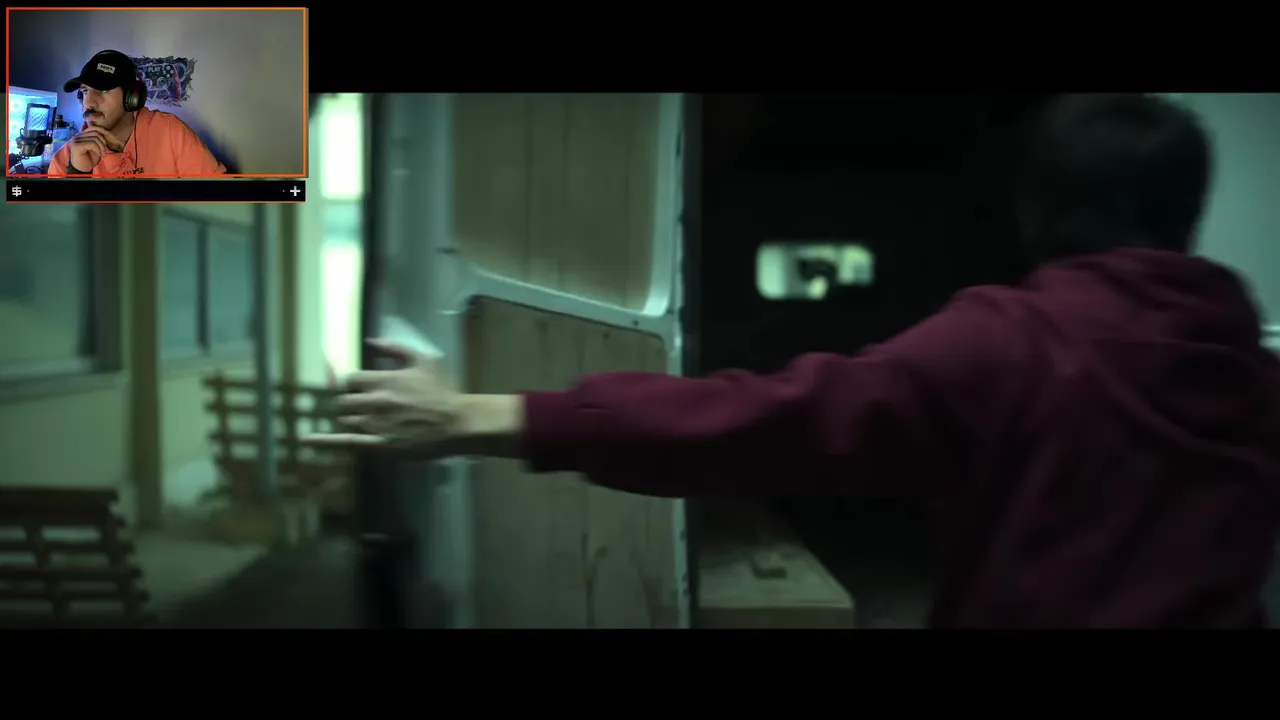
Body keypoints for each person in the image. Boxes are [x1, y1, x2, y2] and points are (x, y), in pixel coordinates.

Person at [304, 94, 1280, 628]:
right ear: (1182, 213)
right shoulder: (1244, 355)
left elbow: (765, 419)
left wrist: (473, 414)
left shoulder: (1011, 338)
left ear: (1035, 209)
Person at [47, 50, 225, 177]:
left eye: (102, 90)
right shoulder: (66, 157)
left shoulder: (170, 132)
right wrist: (77, 173)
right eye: (85, 91)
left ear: (132, 97)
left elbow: (218, 199)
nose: (89, 103)